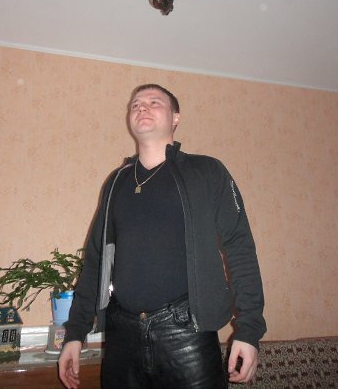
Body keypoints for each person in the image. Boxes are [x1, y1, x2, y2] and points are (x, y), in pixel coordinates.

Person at [58, 84, 266, 389]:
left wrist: (249, 330)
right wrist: (75, 333)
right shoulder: (115, 183)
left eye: (154, 102)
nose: (142, 107)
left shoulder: (207, 171)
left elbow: (240, 247)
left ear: (176, 117)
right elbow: (96, 260)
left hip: (187, 335)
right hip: (121, 337)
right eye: (135, 105)